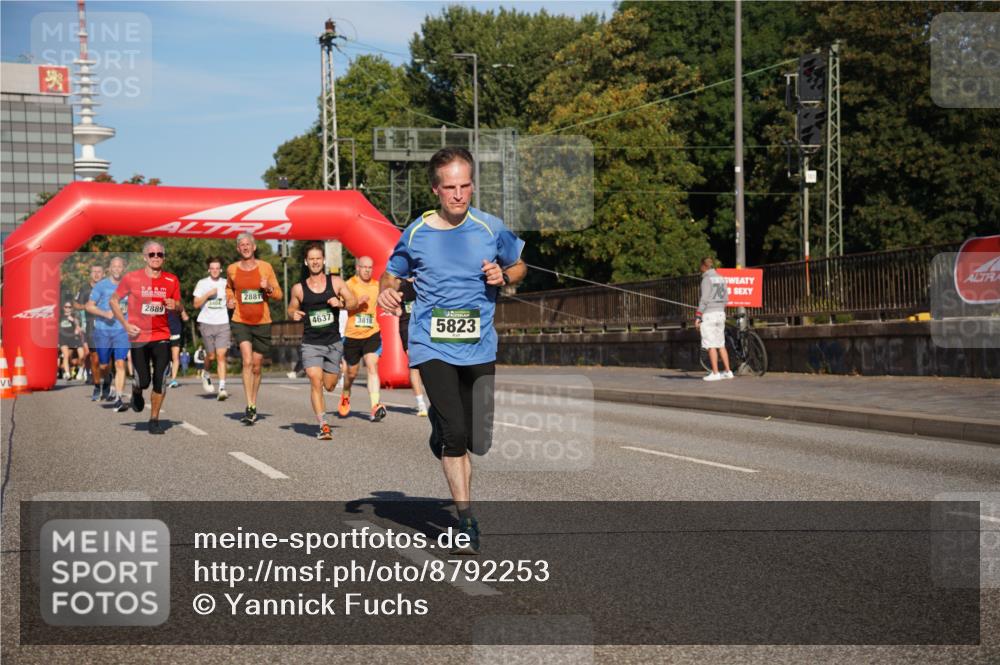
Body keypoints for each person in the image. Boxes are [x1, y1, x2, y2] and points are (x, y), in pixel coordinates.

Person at [378, 147, 526, 554]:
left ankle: (442, 432)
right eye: (450, 188)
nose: (459, 195)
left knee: (478, 437)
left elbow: (519, 266)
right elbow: (390, 277)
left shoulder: (490, 227)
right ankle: (466, 521)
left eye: (465, 186)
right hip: (431, 344)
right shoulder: (417, 232)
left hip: (479, 345)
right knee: (456, 435)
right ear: (435, 190)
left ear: (472, 184)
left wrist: (503, 274)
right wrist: (387, 295)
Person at [109, 240, 182, 435]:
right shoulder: (132, 278)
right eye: (152, 254)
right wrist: (125, 325)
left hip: (162, 335)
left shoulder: (172, 280)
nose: (156, 257)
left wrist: (176, 306)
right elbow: (113, 300)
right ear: (145, 257)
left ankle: (154, 419)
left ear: (164, 258)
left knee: (160, 379)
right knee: (144, 381)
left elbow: (179, 306)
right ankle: (136, 390)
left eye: (159, 254)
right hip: (138, 336)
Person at [287, 243, 358, 439]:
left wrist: (341, 303)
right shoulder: (298, 289)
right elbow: (291, 308)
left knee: (329, 385)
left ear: (323, 260)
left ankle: (338, 372)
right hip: (311, 343)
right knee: (315, 380)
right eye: (312, 259)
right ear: (306, 262)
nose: (315, 262)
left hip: (333, 342)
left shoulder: (335, 282)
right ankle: (323, 424)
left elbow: (353, 302)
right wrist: (293, 313)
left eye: (318, 258)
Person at [226, 233, 282, 424]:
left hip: (262, 322)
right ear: (237, 249)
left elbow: (279, 295)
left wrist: (268, 289)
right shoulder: (232, 269)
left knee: (257, 367)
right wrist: (230, 299)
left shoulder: (266, 267)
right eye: (241, 245)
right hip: (240, 320)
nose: (245, 247)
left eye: (248, 244)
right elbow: (229, 288)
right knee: (247, 361)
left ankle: (254, 402)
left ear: (254, 247)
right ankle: (249, 405)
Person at [339, 256, 387, 423]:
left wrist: (394, 307)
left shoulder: (376, 286)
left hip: (372, 333)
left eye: (370, 267)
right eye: (364, 267)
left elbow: (383, 302)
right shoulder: (349, 284)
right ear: (357, 268)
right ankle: (346, 393)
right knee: (351, 373)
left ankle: (375, 405)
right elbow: (341, 305)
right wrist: (356, 303)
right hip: (352, 335)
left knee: (372, 365)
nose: (367, 270)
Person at [86, 256, 131, 412]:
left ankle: (118, 398)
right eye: (114, 266)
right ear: (109, 269)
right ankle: (107, 379)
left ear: (123, 268)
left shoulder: (129, 284)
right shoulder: (101, 286)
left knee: (120, 363)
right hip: (103, 330)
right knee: (104, 365)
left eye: (120, 266)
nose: (117, 269)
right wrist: (105, 314)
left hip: (122, 331)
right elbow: (89, 306)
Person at [193, 257, 231, 400]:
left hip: (223, 323)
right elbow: (196, 304)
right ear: (209, 269)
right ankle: (206, 373)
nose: (215, 270)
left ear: (220, 270)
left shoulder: (226, 283)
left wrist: (231, 303)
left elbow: (231, 301)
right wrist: (208, 294)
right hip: (206, 323)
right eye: (212, 268)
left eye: (217, 268)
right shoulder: (202, 283)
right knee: (211, 356)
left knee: (221, 356)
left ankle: (222, 388)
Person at [695, 256, 733, 381]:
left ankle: (715, 373)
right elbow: (726, 298)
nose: (700, 270)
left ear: (704, 266)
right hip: (721, 313)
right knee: (720, 343)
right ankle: (728, 371)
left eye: (700, 267)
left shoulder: (707, 279)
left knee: (711, 344)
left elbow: (704, 299)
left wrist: (698, 315)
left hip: (710, 314)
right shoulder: (721, 278)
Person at [398, 277, 429, 416]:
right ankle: (421, 404)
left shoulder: (426, 281)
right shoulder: (400, 284)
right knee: (414, 364)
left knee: (429, 364)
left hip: (427, 326)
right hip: (407, 328)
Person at [75, 264, 104, 398]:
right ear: (90, 274)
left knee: (106, 361)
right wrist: (84, 306)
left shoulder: (108, 287)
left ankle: (107, 380)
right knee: (95, 358)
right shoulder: (84, 289)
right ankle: (97, 386)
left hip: (107, 326)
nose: (97, 274)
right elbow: (75, 304)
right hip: (91, 327)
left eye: (99, 272)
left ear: (103, 274)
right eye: (94, 272)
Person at [58, 301, 85, 381]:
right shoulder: (60, 316)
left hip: (74, 338)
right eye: (66, 307)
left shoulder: (74, 315)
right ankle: (67, 374)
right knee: (66, 355)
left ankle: (81, 371)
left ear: (72, 308)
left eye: (69, 307)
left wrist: (73, 320)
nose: (68, 309)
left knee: (82, 356)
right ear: (63, 308)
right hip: (63, 338)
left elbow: (78, 324)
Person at [167, 307, 190, 388]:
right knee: (162, 357)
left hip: (175, 333)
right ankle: (162, 376)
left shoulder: (177, 304)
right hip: (163, 333)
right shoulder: (160, 301)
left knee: (175, 357)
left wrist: (183, 313)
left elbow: (186, 318)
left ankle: (173, 380)